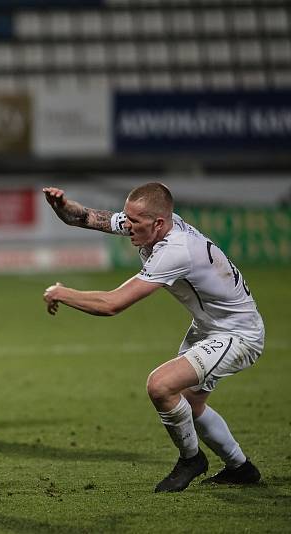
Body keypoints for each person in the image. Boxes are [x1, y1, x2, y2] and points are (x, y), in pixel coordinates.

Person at [41, 183, 264, 492]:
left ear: (158, 223)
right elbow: (86, 218)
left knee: (160, 386)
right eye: (127, 218)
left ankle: (191, 459)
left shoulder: (175, 251)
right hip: (210, 327)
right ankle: (241, 468)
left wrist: (62, 292)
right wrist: (61, 205)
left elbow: (112, 304)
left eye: (134, 222)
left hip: (239, 334)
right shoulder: (152, 223)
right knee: (191, 405)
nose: (126, 226)